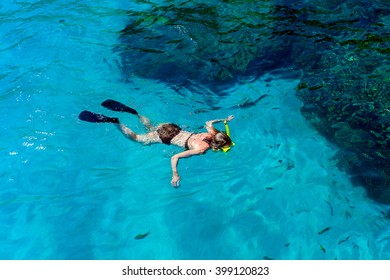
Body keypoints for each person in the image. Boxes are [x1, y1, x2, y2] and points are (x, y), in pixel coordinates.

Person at [79, 99, 234, 187]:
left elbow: (208, 121)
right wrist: (175, 174)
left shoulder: (211, 133)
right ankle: (114, 121)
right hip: (165, 137)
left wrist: (224, 120)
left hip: (171, 127)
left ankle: (135, 113)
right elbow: (174, 157)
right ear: (218, 145)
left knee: (153, 127)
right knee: (139, 139)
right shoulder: (202, 149)